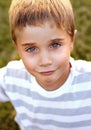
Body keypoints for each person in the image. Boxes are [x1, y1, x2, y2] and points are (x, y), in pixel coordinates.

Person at [0, 0, 91, 130]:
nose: (45, 61)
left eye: (55, 45)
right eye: (31, 49)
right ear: (17, 48)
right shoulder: (12, 77)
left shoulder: (88, 80)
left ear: (72, 40)